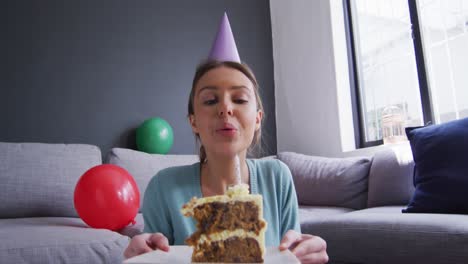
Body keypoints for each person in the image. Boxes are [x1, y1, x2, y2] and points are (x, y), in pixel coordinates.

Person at [124, 60, 328, 264]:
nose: (225, 108)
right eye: (211, 101)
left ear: (257, 119)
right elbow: (150, 253)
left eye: (239, 99)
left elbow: (291, 253)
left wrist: (304, 255)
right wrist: (140, 256)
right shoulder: (163, 187)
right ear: (193, 121)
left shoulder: (278, 177)